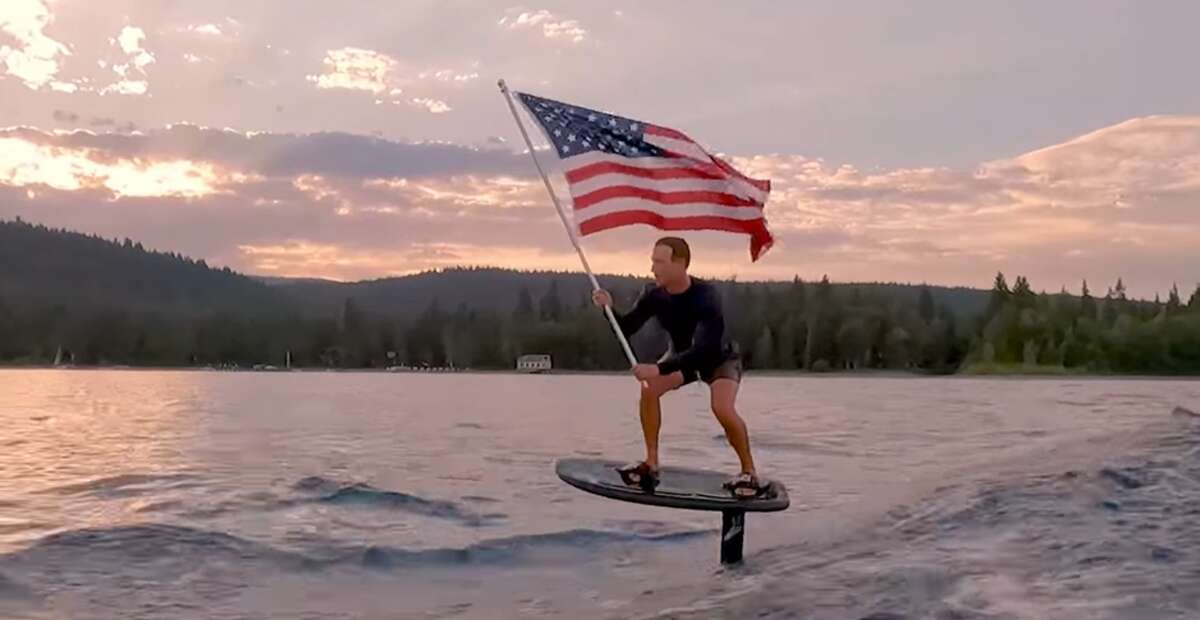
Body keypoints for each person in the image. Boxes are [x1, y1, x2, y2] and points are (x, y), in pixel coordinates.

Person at [592, 236, 765, 498]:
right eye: (653, 261)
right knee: (649, 389)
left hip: (718, 358)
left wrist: (658, 369)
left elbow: (704, 350)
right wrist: (608, 310)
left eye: (660, 262)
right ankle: (651, 462)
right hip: (682, 357)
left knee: (722, 407)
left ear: (680, 264)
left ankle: (749, 471)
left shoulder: (706, 296)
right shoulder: (653, 294)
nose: (653, 268)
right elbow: (626, 328)